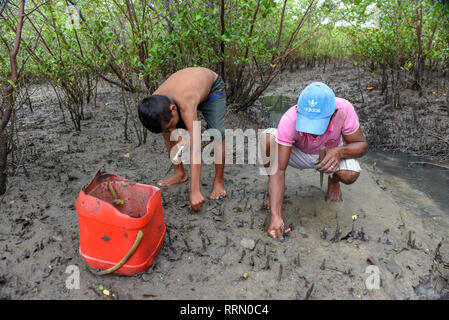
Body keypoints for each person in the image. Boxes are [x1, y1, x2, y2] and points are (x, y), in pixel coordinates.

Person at [260, 82, 368, 240]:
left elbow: (362, 145)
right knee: (267, 139)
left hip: (329, 154)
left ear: (333, 113)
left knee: (350, 174)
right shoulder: (290, 118)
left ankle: (334, 181)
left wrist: (339, 151)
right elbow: (279, 170)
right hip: (297, 153)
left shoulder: (344, 109)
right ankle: (273, 194)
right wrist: (275, 215)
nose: (310, 130)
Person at [138, 67, 227, 211]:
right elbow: (167, 126)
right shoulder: (156, 103)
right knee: (166, 128)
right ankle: (179, 173)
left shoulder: (186, 103)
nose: (174, 132)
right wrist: (172, 131)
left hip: (212, 89)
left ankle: (219, 181)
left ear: (173, 109)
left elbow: (196, 148)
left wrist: (195, 191)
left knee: (217, 134)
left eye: (172, 126)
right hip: (187, 93)